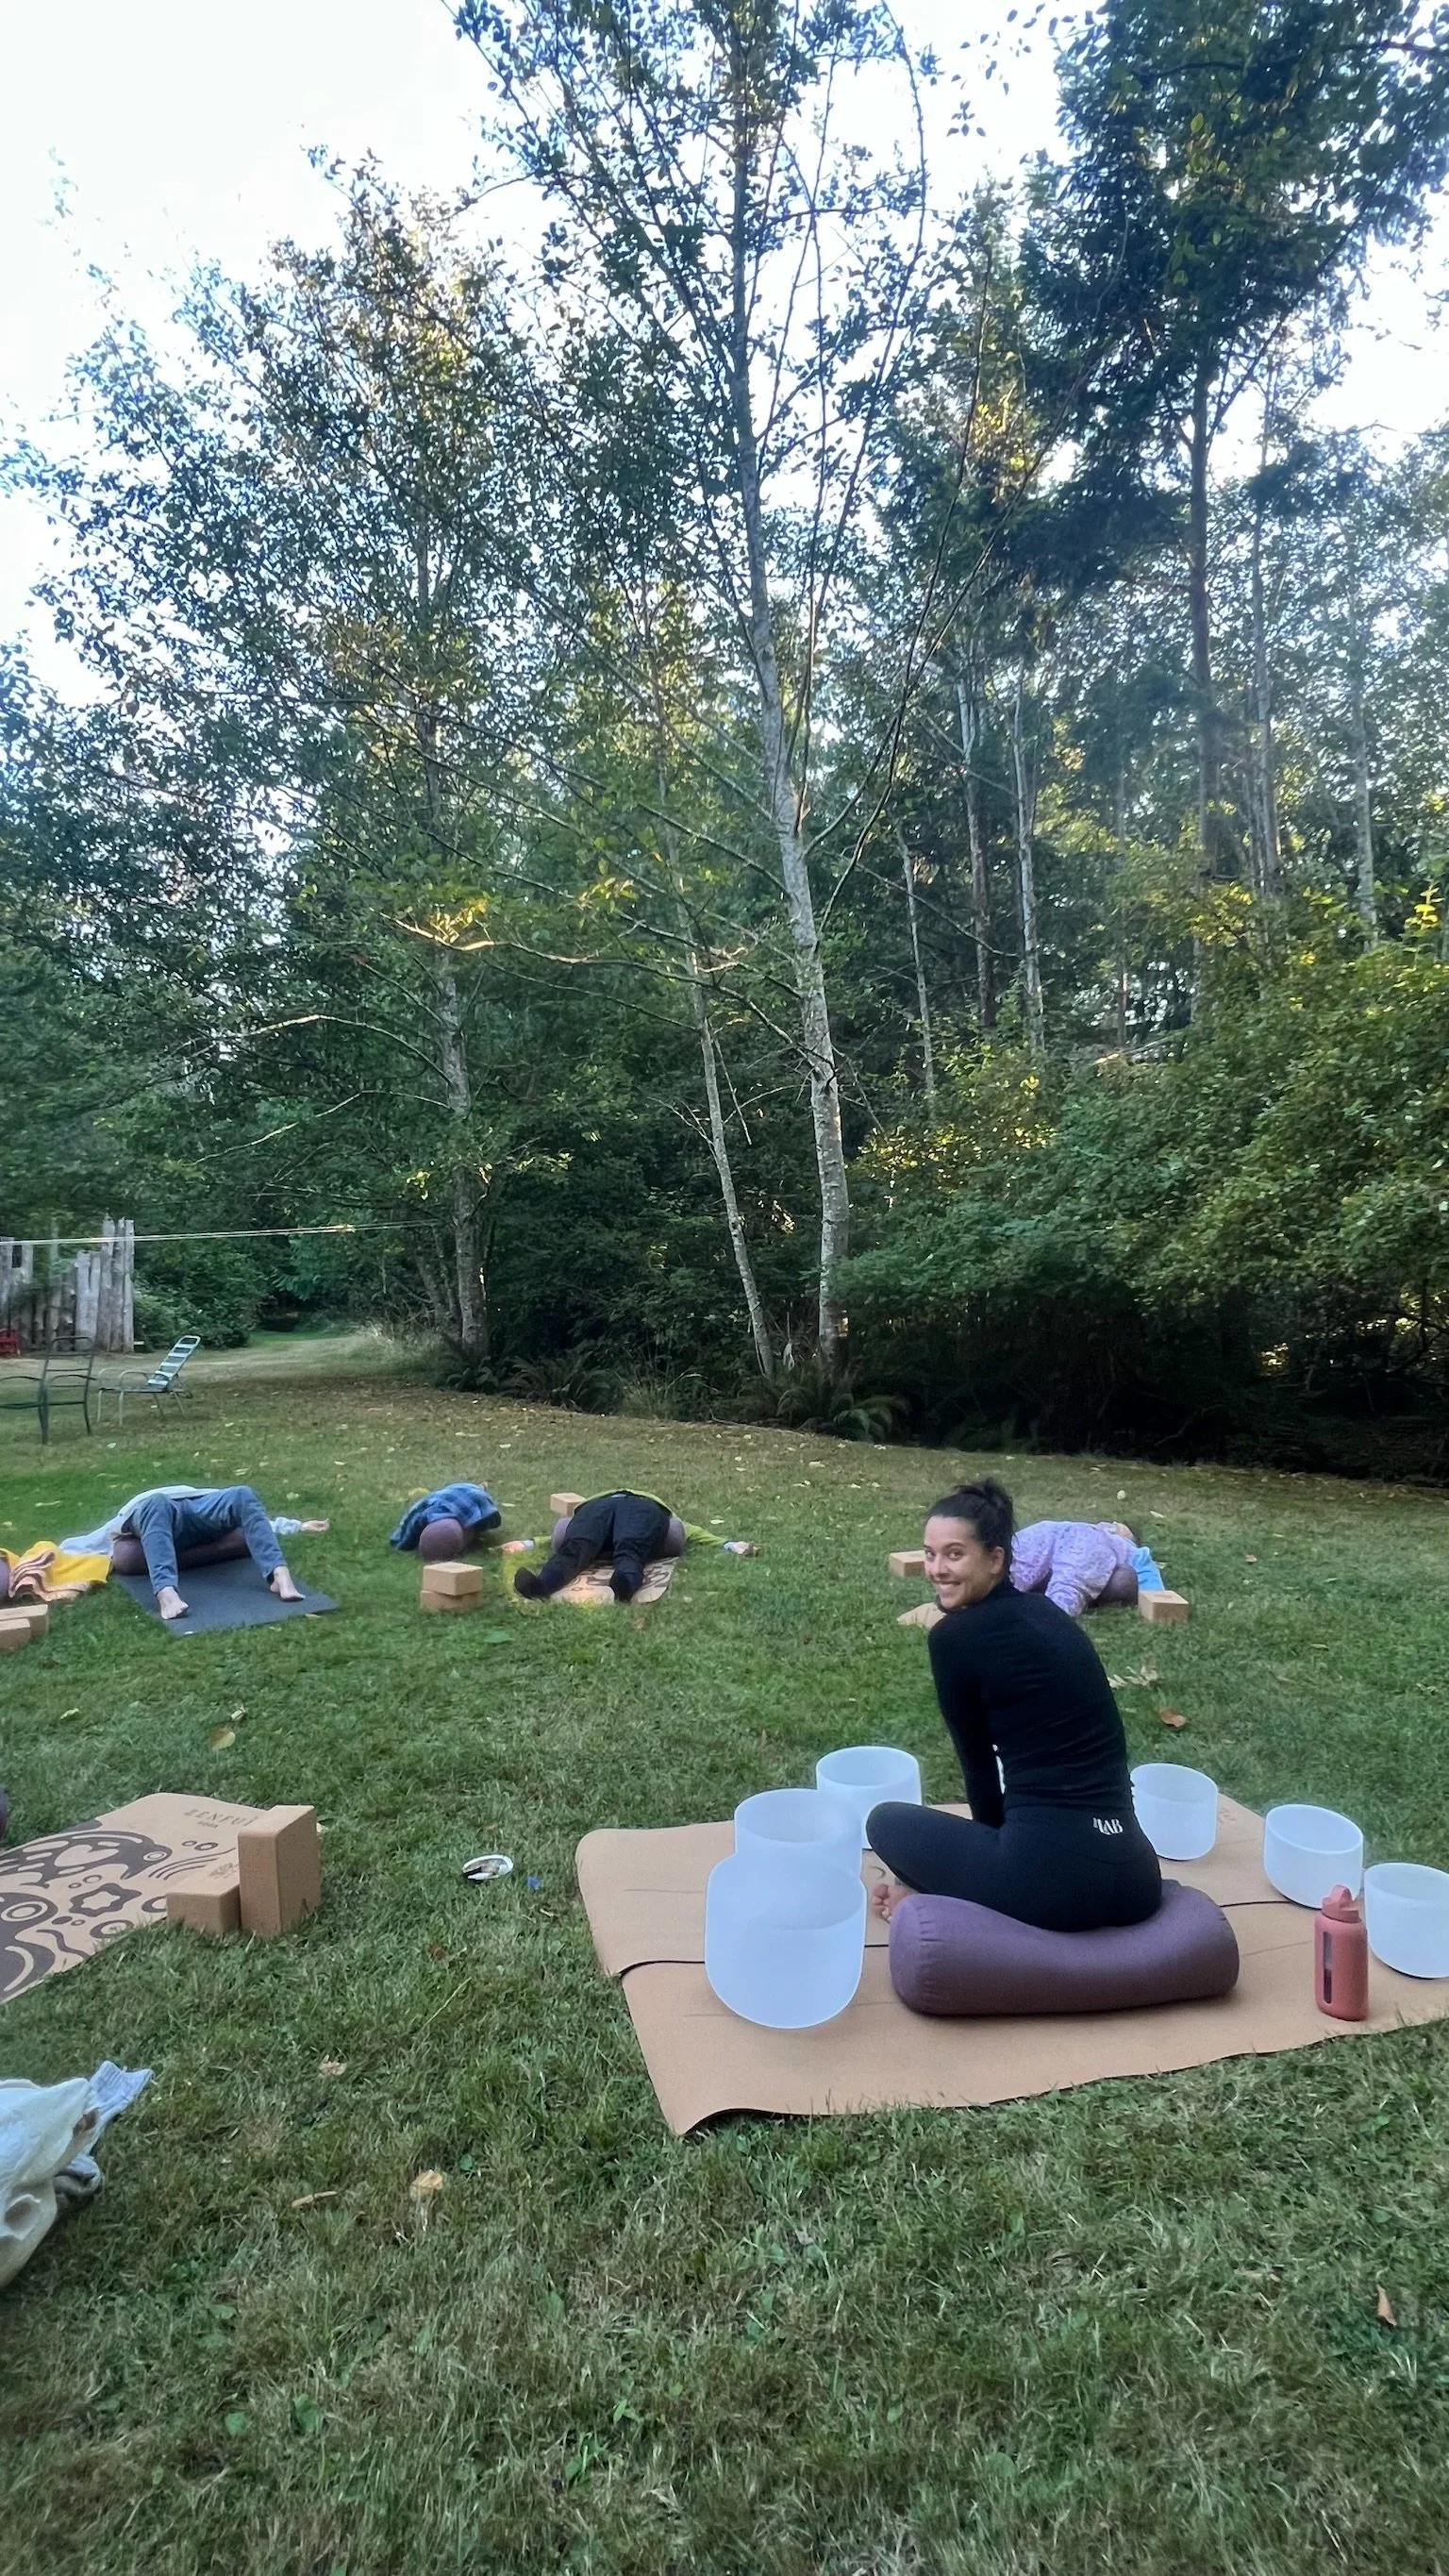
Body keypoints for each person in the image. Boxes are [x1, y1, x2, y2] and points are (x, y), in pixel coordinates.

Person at [868, 1479, 1161, 1934]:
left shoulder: (953, 1638)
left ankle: (957, 1897)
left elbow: (979, 1766)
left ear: (996, 1560)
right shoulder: (1049, 1614)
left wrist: (990, 1860)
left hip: (1055, 1888)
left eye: (954, 1554)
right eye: (930, 1554)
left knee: (885, 1821)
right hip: (1138, 1878)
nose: (937, 1569)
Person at [117, 1485, 305, 1623]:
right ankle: (166, 1592)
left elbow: (253, 1517)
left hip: (199, 1505)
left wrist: (296, 1525)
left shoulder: (201, 1495)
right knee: (157, 1502)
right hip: (152, 1510)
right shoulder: (143, 1504)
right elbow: (91, 1543)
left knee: (244, 1492)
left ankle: (278, 1573)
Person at [513, 1491, 680, 1605]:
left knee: (577, 1547)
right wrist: (532, 1542)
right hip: (635, 1507)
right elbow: (685, 1531)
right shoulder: (651, 1504)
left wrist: (533, 1541)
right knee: (628, 1546)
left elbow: (560, 1535)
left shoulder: (598, 1501)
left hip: (604, 1507)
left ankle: (625, 1583)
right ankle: (538, 1587)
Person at [1010, 1517, 1140, 1617]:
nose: (1114, 1525)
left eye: (1121, 1528)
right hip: (1050, 1537)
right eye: (1113, 1524)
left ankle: (1050, 1613)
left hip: (1084, 1550)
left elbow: (1143, 1567)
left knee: (1069, 1583)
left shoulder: (1121, 1544)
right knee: (1018, 1556)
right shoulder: (1085, 1529)